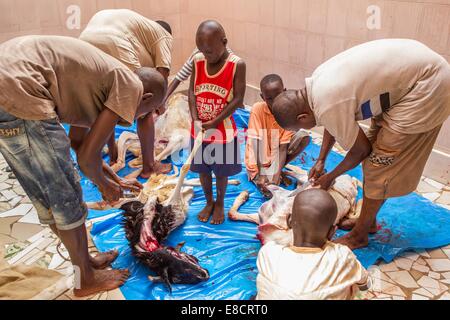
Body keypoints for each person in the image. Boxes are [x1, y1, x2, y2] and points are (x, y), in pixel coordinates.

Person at [0, 36, 166, 297]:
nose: (139, 120)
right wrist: (105, 186)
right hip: (22, 90)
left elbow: (79, 142)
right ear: (144, 97)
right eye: (146, 113)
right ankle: (85, 279)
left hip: (10, 88)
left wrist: (109, 176)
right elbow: (86, 160)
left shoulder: (101, 83)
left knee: (51, 198)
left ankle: (83, 265)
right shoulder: (130, 85)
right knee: (66, 198)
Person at [272, 39, 450, 250]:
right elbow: (332, 120)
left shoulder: (327, 102)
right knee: (376, 161)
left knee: (379, 164)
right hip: (414, 75)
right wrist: (321, 160)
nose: (310, 128)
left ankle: (359, 235)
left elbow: (361, 150)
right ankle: (368, 220)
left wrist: (331, 176)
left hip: (427, 86)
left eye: (304, 127)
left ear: (302, 117)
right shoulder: (316, 87)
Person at [80, 9, 173, 177]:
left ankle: (113, 153)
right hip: (113, 40)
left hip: (85, 42)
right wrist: (160, 105)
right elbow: (162, 78)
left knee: (106, 101)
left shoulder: (140, 32)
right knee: (146, 108)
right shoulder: (164, 36)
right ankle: (149, 167)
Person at [256, 189, 368, 300]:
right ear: (332, 232)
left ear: (289, 221)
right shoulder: (342, 256)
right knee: (352, 284)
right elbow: (364, 282)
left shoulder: (268, 251)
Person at [189, 20, 246, 225]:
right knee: (203, 169)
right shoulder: (198, 61)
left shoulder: (236, 65)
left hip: (223, 131)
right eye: (202, 51)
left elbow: (239, 99)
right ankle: (209, 201)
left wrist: (215, 121)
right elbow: (191, 91)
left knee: (221, 172)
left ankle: (220, 202)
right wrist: (195, 116)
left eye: (210, 51)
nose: (206, 55)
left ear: (224, 42)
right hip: (200, 129)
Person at [245, 74, 311, 198]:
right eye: (269, 98)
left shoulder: (287, 111)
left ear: (284, 91)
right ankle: (266, 176)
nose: (275, 101)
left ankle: (277, 171)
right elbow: (256, 142)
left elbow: (283, 147)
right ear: (262, 97)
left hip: (275, 156)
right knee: (269, 193)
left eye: (278, 96)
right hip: (258, 162)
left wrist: (276, 172)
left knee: (303, 137)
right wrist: (263, 173)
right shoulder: (257, 109)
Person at [165, 47, 234, 101]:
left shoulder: (232, 61)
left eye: (208, 53)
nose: (205, 56)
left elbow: (236, 96)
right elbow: (181, 76)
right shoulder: (198, 54)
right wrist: (163, 99)